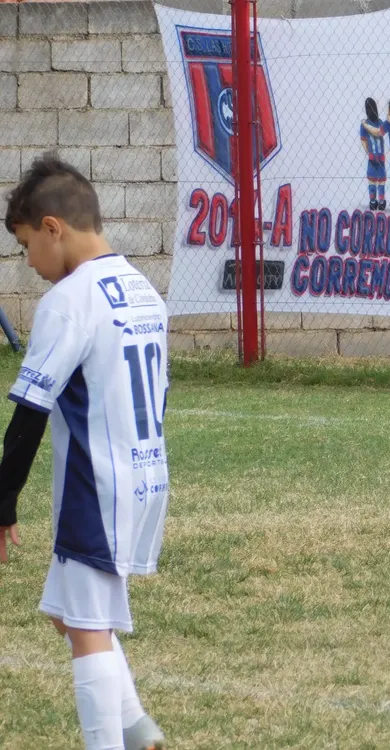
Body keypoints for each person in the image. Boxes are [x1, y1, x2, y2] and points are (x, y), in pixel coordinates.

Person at [0, 153, 170, 749]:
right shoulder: (143, 289)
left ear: (53, 228)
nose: (28, 263)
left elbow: (29, 413)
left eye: (24, 245)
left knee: (88, 623)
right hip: (144, 475)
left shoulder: (69, 301)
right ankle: (138, 729)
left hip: (96, 487)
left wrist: (3, 500)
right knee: (65, 610)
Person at [360, 97, 387, 211]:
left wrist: (368, 151)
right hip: (380, 156)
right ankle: (381, 201)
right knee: (381, 179)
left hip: (372, 156)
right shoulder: (380, 122)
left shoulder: (364, 124)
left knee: (372, 179)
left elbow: (364, 140)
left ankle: (372, 200)